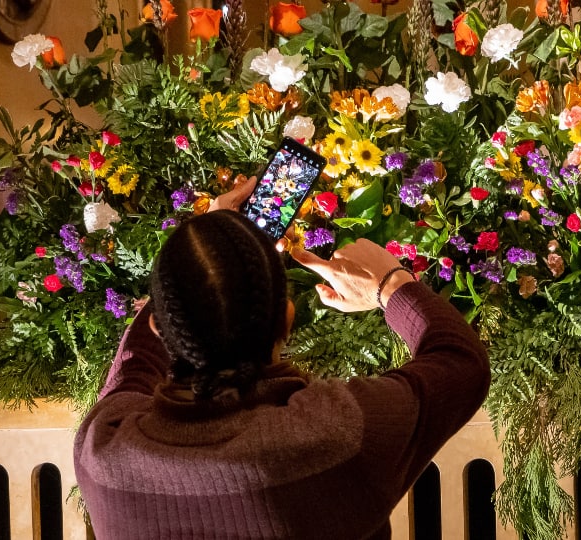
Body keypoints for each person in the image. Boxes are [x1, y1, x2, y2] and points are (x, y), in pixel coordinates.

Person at [73, 179, 490, 539]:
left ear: (160, 328)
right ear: (288, 317)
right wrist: (389, 283)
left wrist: (207, 251)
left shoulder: (104, 449)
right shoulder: (335, 434)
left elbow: (136, 363)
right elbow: (461, 364)